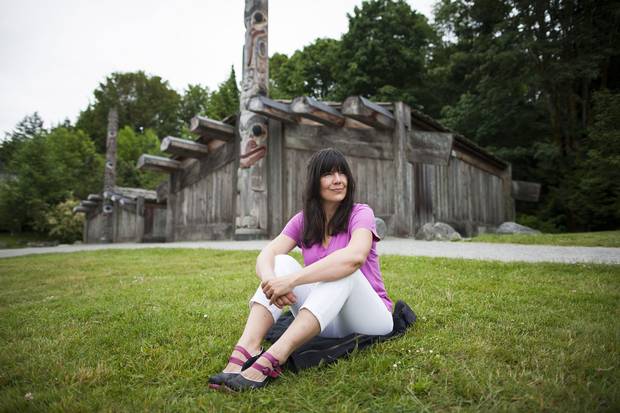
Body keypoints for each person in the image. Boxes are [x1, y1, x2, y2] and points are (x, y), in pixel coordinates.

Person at [209, 148, 394, 391]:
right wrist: (271, 282)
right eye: (328, 174)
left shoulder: (360, 213)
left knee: (344, 268)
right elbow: (267, 254)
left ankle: (272, 359)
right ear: (314, 182)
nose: (338, 180)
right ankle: (246, 350)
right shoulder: (303, 220)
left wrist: (292, 281)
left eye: (342, 173)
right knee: (280, 263)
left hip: (369, 318)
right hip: (325, 315)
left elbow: (355, 258)